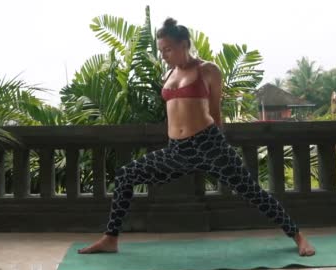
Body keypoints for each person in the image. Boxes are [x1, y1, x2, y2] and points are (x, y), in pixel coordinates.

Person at [78, 18, 315, 256]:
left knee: (252, 191)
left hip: (209, 143)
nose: (164, 55)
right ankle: (111, 239)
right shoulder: (169, 74)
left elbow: (215, 111)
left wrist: (220, 147)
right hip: (176, 150)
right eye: (161, 50)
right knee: (126, 175)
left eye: (168, 49)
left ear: (184, 44)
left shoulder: (208, 70)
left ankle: (298, 236)